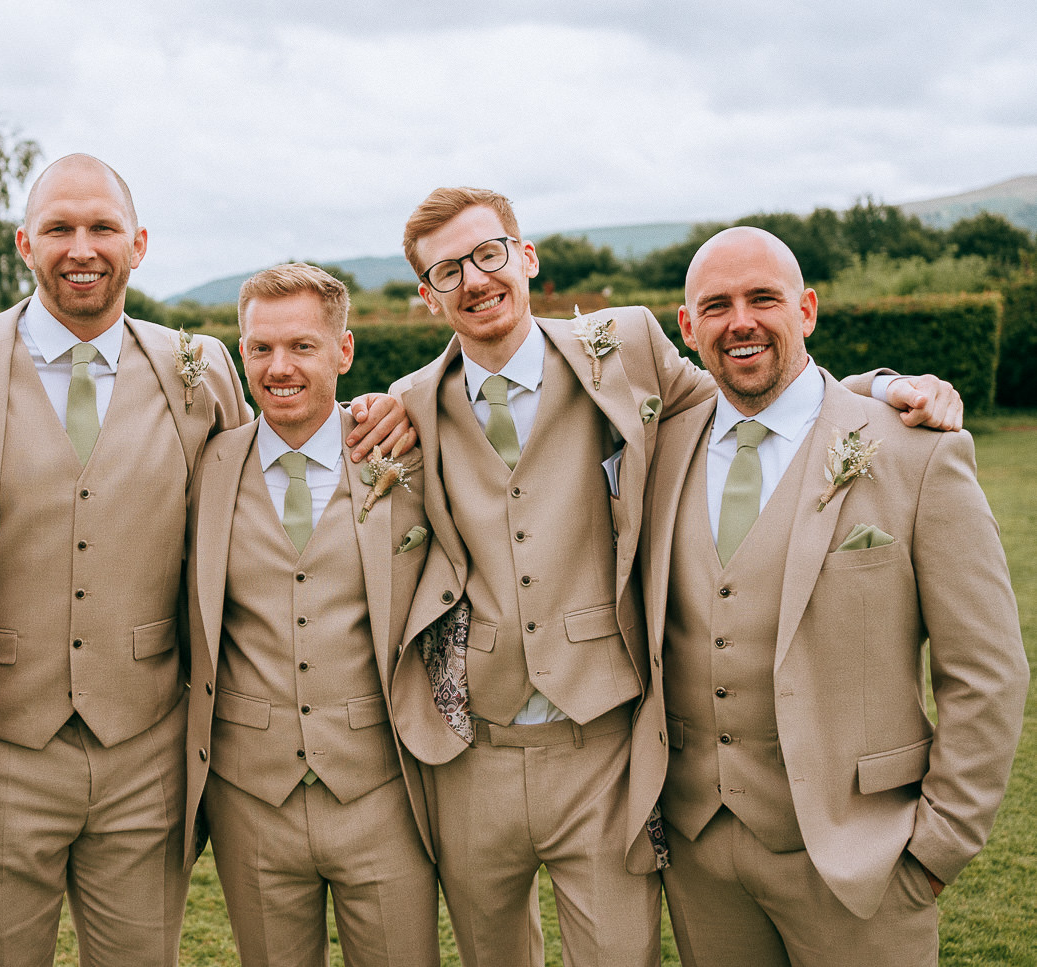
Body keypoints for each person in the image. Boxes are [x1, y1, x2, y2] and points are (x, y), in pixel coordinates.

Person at [384, 187, 965, 966]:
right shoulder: (410, 402)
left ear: (524, 258)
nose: (476, 278)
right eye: (448, 270)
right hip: (474, 747)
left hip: (604, 744)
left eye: (488, 254)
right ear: (428, 297)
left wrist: (881, 388)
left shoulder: (622, 345)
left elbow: (757, 395)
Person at [0, 154, 410, 966]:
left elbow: (270, 459)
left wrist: (392, 406)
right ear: (22, 243)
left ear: (137, 243)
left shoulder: (200, 366)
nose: (81, 247)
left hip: (147, 753)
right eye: (60, 228)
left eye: (102, 227)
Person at [636, 225, 1027, 966]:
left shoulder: (918, 450)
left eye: (763, 298)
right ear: (687, 329)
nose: (740, 321)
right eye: (715, 305)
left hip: (863, 859)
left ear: (807, 311)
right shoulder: (660, 444)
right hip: (698, 851)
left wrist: (935, 848)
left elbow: (988, 671)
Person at [184, 263, 439, 967]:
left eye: (301, 345)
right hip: (249, 792)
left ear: (345, 351)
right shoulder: (205, 465)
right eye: (260, 348)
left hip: (382, 787)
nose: (279, 366)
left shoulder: (403, 457)